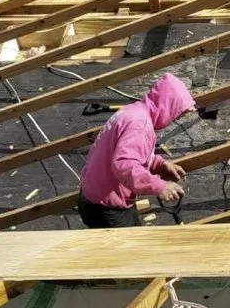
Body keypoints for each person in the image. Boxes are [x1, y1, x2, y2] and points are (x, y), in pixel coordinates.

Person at [78, 73, 196, 229]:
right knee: (128, 245)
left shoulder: (133, 111)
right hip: (106, 207)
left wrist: (159, 165)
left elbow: (130, 154)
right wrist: (159, 186)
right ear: (167, 106)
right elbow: (125, 165)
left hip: (96, 196)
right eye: (176, 113)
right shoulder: (140, 125)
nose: (175, 118)